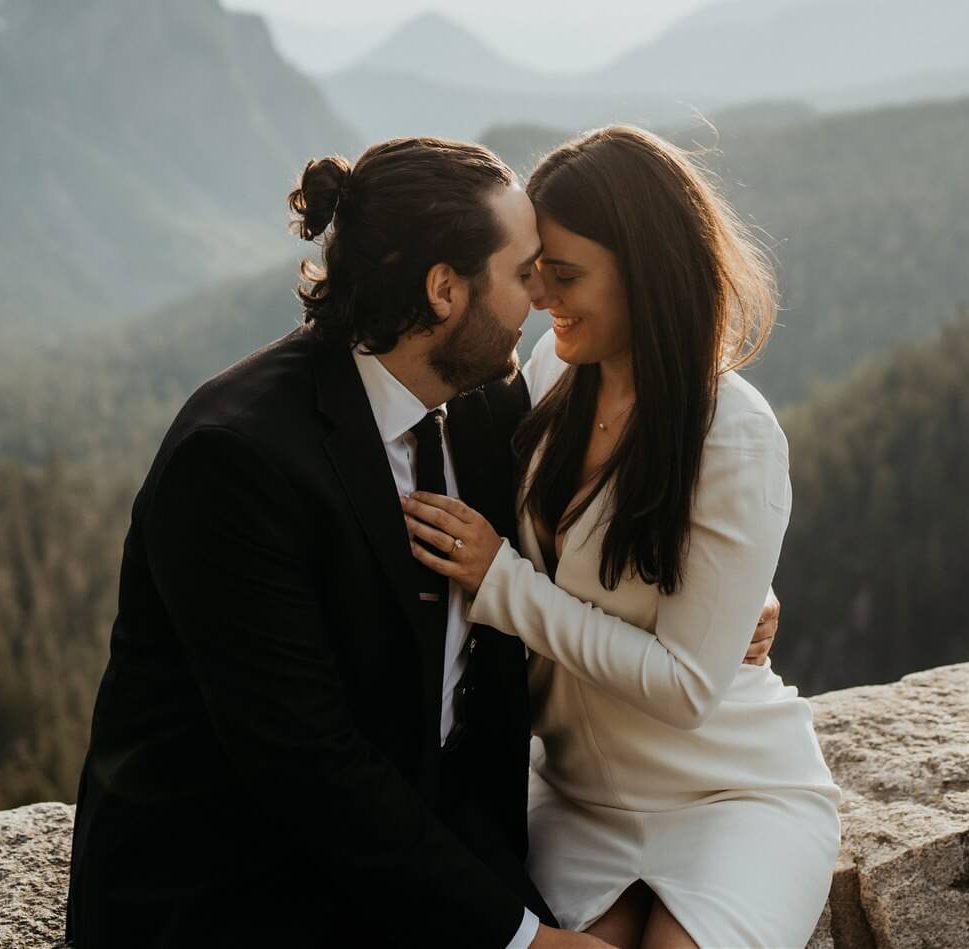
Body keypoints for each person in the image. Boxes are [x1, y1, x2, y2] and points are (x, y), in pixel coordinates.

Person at [64, 135, 781, 949]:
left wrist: (736, 596)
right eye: (523, 272)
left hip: (433, 836)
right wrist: (523, 941)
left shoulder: (487, 404)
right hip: (240, 883)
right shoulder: (236, 461)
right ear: (444, 290)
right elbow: (308, 767)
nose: (540, 297)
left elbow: (593, 529)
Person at [403, 125, 842, 949]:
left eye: (565, 276)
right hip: (574, 795)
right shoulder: (550, 374)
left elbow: (685, 688)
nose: (540, 297)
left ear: (645, 271)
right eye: (536, 272)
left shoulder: (732, 435)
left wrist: (506, 587)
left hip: (730, 795)